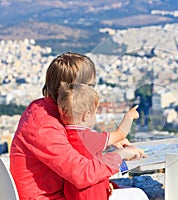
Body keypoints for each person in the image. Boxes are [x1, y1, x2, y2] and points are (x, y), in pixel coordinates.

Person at [10, 52, 147, 200]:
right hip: (50, 197)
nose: (93, 92)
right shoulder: (44, 126)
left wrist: (107, 143)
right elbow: (82, 174)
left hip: (62, 191)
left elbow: (71, 144)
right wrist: (119, 156)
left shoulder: (45, 108)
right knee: (137, 195)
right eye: (90, 86)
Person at [57, 82, 148, 200]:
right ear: (86, 115)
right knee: (137, 195)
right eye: (95, 112)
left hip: (74, 195)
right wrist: (129, 116)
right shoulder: (87, 137)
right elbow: (119, 134)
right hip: (93, 195)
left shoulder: (64, 136)